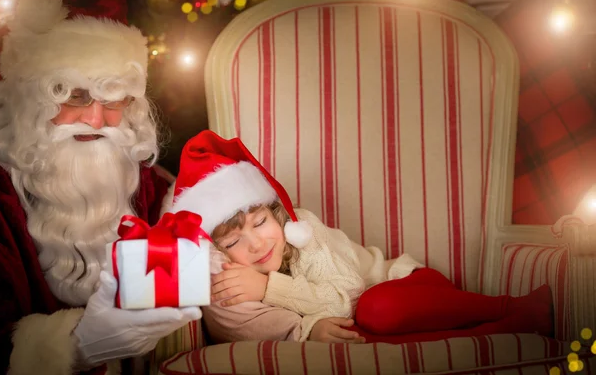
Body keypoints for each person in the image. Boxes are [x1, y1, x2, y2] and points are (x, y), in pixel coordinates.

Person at [168, 130, 554, 344]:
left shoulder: (304, 229)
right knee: (355, 337)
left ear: (277, 214)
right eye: (233, 242)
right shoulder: (228, 278)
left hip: (405, 286)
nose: (256, 243)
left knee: (373, 311)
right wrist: (307, 330)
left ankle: (506, 306)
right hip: (375, 326)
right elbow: (231, 322)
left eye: (260, 222)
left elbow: (347, 297)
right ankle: (514, 325)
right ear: (216, 253)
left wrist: (269, 289)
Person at [0, 0, 201, 375]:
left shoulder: (140, 179)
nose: (95, 120)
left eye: (112, 99)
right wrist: (75, 348)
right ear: (28, 99)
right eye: (74, 96)